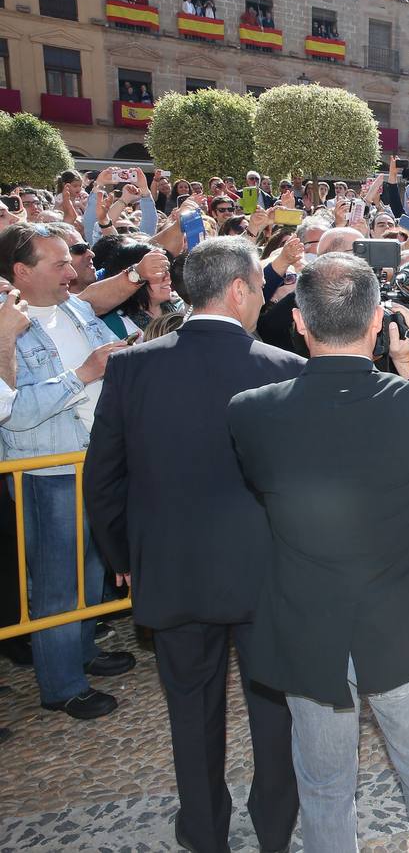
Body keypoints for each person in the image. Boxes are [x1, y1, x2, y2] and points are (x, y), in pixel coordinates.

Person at [226, 253, 409, 853]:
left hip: (308, 623)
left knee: (323, 785)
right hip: (402, 621)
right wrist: (406, 362)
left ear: (299, 322)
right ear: (377, 319)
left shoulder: (253, 413)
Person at [84, 237, 304, 853]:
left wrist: (124, 557)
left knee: (190, 709)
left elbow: (102, 477)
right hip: (267, 574)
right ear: (238, 289)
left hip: (173, 570)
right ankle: (273, 829)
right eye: (260, 287)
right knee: (273, 710)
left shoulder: (133, 367)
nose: (262, 298)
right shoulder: (285, 370)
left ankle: (204, 831)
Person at [0, 223, 135, 719]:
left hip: (94, 460)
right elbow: (14, 412)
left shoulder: (75, 308)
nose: (71, 270)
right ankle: (60, 684)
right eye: (57, 263)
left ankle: (82, 652)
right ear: (21, 271)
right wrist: (85, 374)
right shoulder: (6, 327)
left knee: (91, 565)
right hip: (48, 470)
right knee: (58, 581)